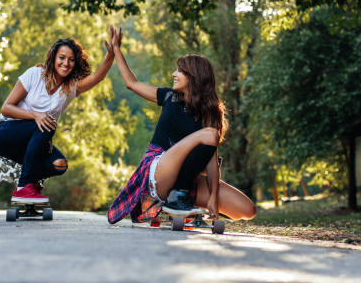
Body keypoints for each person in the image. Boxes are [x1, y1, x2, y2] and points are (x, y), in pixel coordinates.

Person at [107, 26, 256, 224]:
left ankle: (181, 200)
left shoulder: (211, 114)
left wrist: (213, 198)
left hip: (188, 180)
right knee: (209, 134)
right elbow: (131, 83)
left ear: (194, 77)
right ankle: (175, 198)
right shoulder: (169, 97)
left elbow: (211, 162)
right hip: (159, 169)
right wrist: (116, 49)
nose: (173, 74)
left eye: (179, 71)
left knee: (247, 209)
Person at [0, 30, 116, 203]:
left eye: (71, 60)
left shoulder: (70, 88)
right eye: (62, 57)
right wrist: (35, 115)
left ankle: (30, 184)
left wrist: (111, 54)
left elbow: (97, 77)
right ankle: (24, 187)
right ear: (54, 58)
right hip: (4, 134)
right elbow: (6, 108)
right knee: (47, 122)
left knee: (59, 164)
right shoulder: (34, 74)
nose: (66, 63)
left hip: (33, 141)